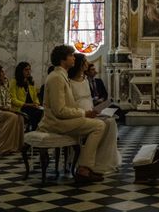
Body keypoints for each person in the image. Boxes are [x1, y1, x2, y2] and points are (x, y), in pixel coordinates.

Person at [38, 45, 105, 184]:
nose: (74, 58)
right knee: (99, 126)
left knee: (100, 124)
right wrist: (83, 113)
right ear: (63, 59)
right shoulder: (57, 78)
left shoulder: (61, 76)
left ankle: (85, 167)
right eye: (71, 55)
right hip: (56, 122)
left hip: (61, 120)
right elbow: (59, 110)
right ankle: (84, 169)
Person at [68, 53, 121, 175]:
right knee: (102, 124)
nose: (87, 63)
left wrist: (97, 110)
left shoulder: (85, 80)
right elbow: (72, 103)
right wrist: (86, 113)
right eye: (85, 61)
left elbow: (89, 100)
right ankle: (89, 163)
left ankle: (103, 160)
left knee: (111, 122)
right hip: (80, 114)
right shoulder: (69, 82)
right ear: (80, 65)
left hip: (92, 111)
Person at [9, 61, 42, 130]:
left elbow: (35, 97)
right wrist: (27, 104)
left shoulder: (30, 82)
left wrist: (36, 103)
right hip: (20, 108)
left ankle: (34, 131)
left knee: (41, 111)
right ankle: (30, 131)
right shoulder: (14, 82)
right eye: (26, 70)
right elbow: (13, 99)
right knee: (35, 113)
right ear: (20, 71)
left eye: (29, 69)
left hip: (31, 107)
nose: (29, 72)